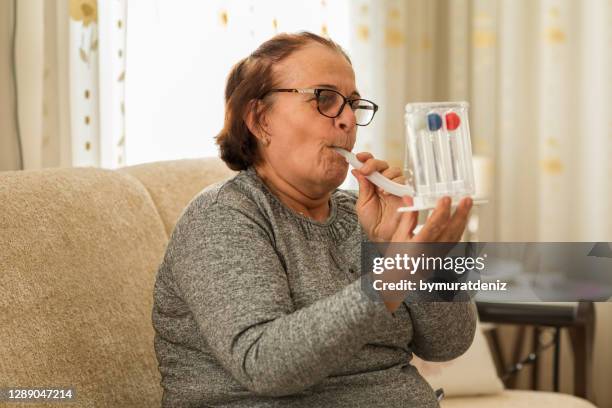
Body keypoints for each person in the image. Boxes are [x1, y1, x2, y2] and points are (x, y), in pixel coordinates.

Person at [152, 32, 476, 408]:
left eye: (354, 104)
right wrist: (390, 278)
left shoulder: (366, 214)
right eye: (325, 99)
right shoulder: (223, 216)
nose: (349, 120)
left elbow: (448, 343)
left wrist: (402, 251)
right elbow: (264, 365)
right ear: (259, 119)